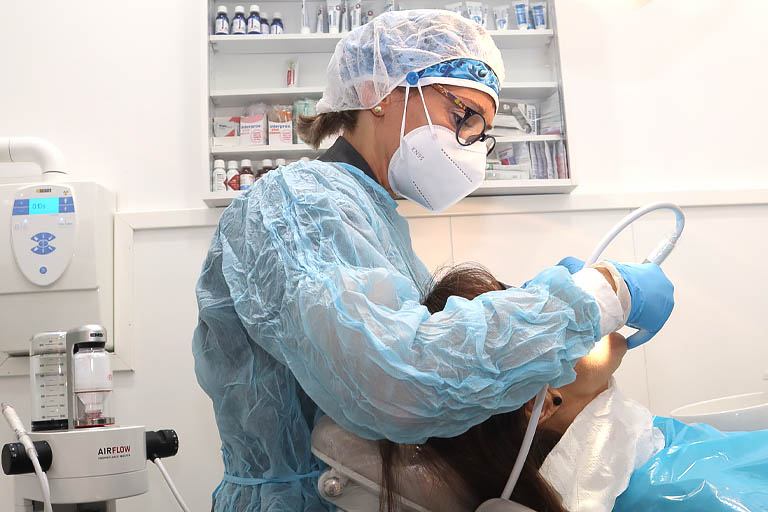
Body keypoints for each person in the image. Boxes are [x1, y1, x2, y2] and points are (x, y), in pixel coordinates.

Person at [191, 9, 675, 511]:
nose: (468, 148)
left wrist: (531, 311)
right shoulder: (294, 206)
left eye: (480, 133)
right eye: (462, 116)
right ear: (378, 90)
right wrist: (594, 297)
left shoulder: (370, 218)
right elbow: (393, 379)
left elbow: (431, 356)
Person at [379, 265, 768, 512]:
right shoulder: (679, 497)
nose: (569, 313)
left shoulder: (646, 446)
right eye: (538, 322)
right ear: (539, 403)